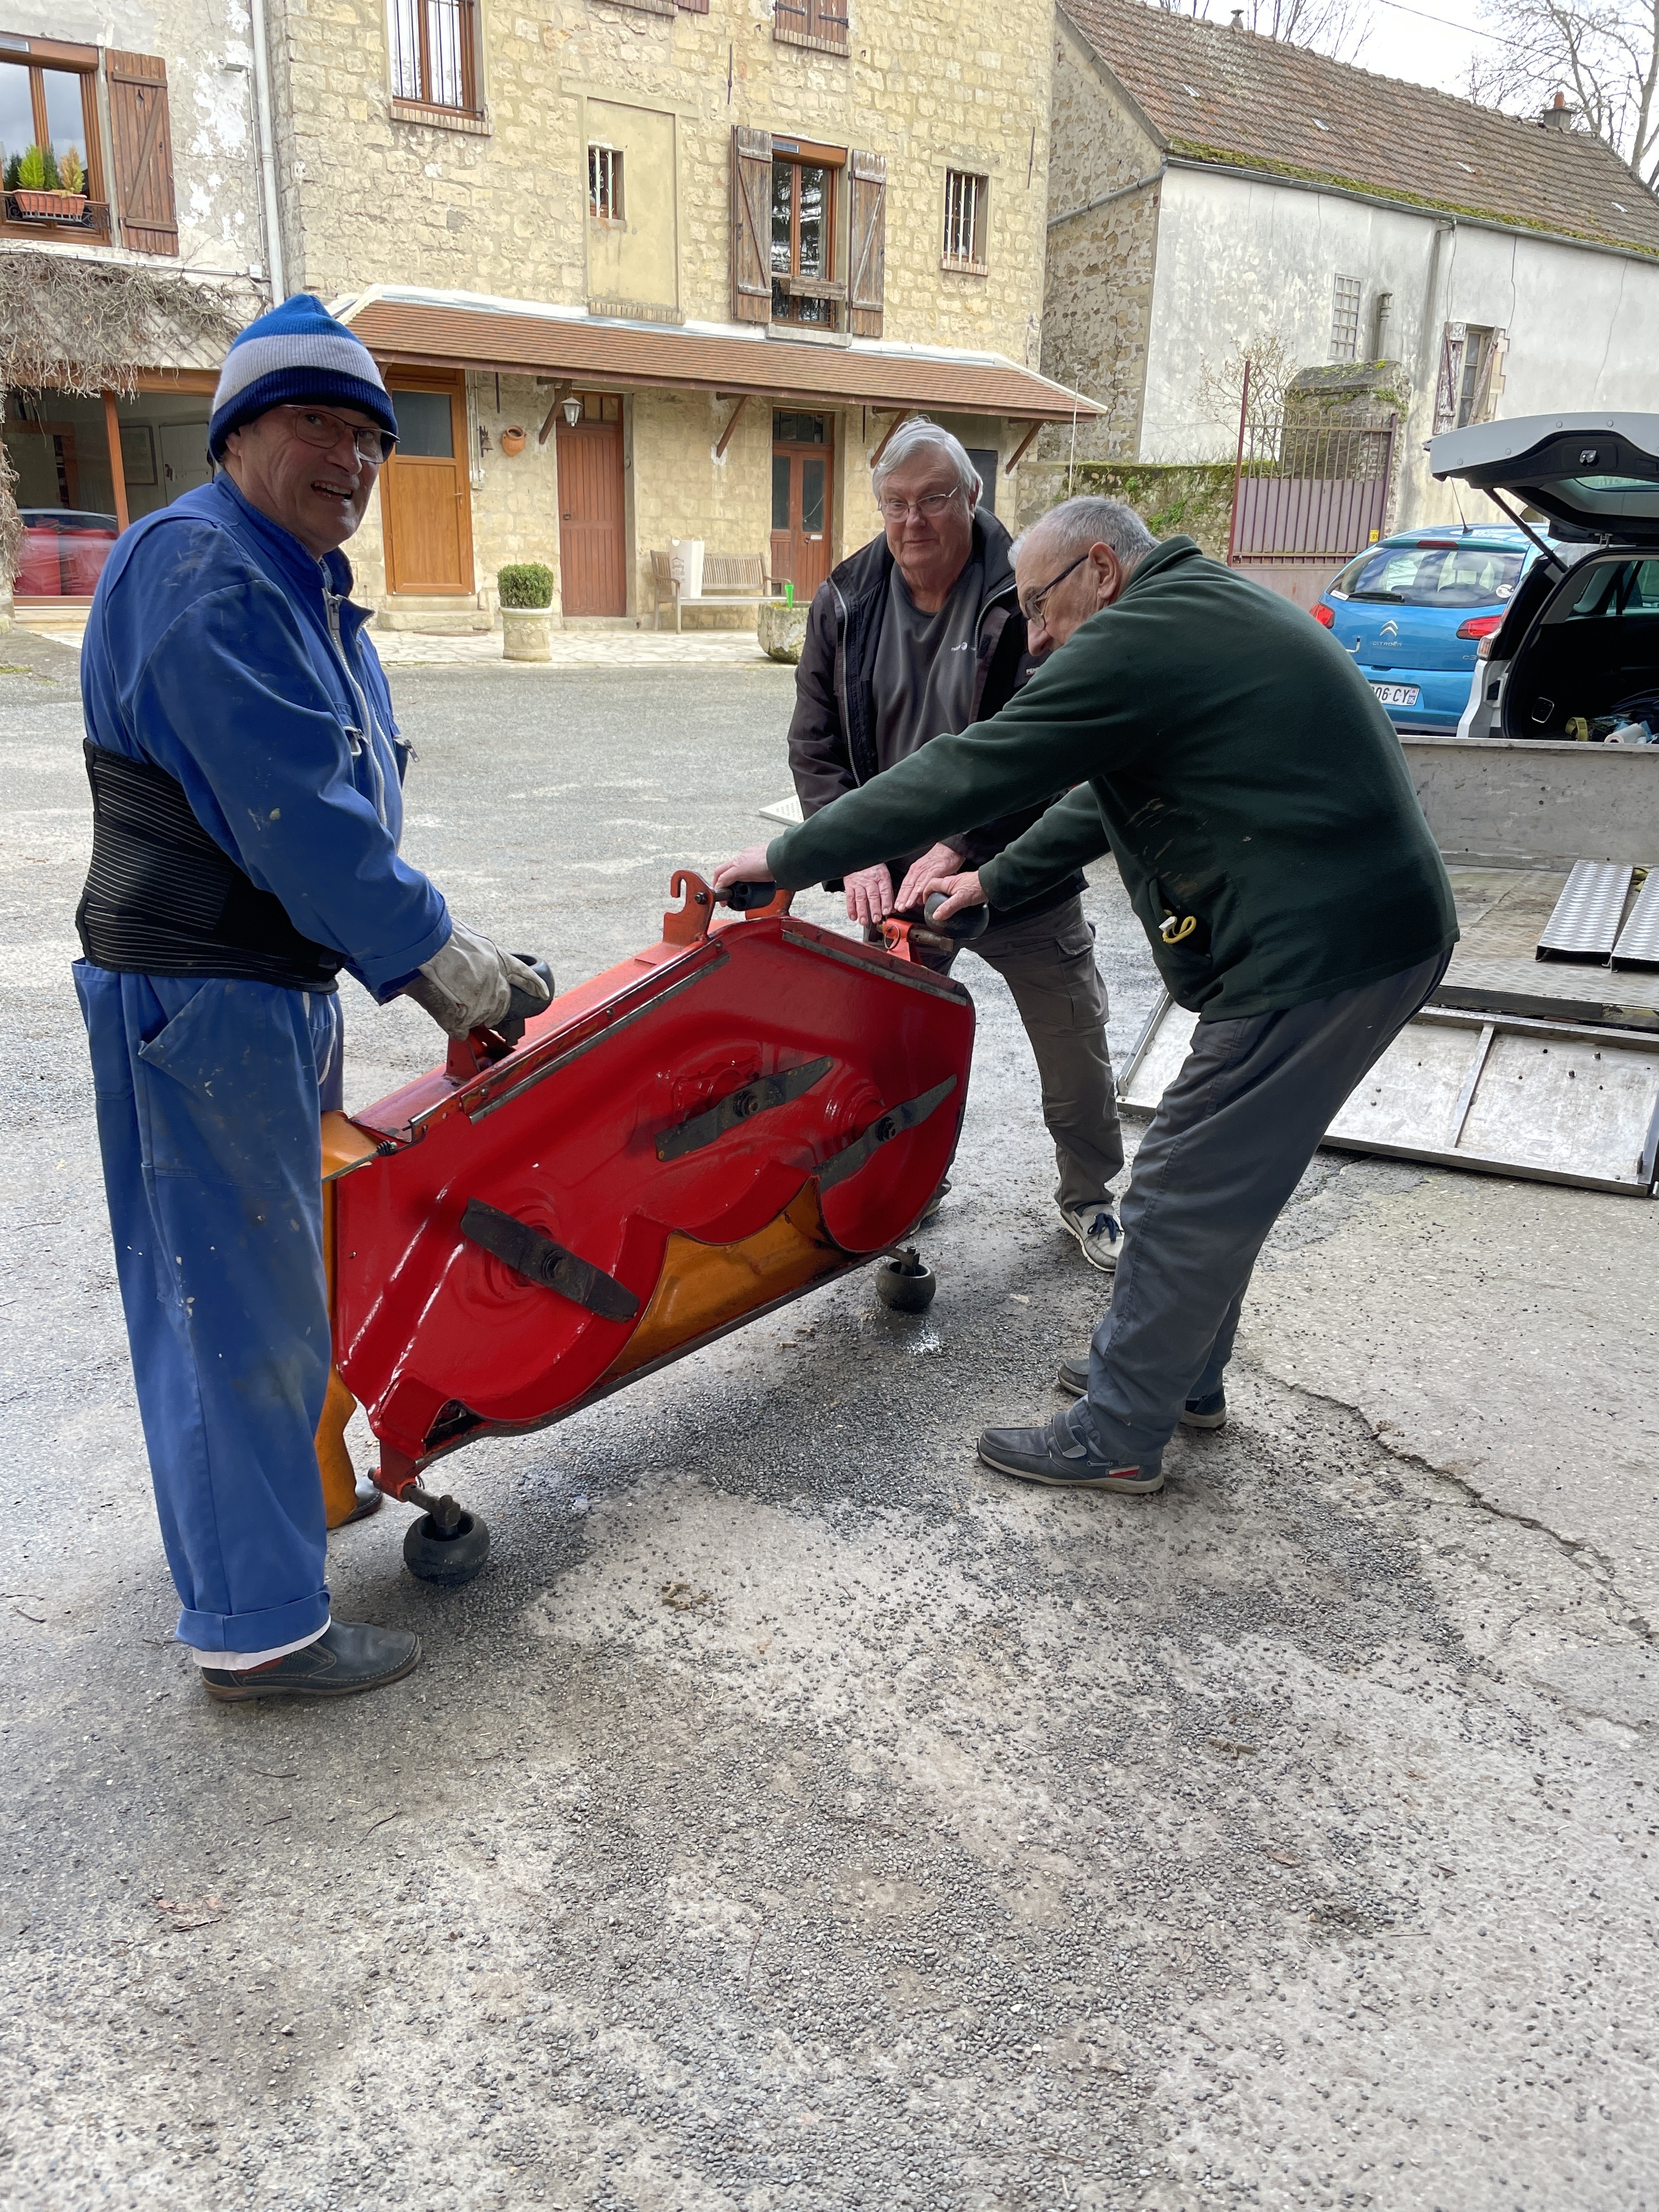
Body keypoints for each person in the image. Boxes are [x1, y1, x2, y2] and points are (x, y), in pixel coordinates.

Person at [716, 496, 1457, 1497]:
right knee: (1217, 1178)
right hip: (1348, 935)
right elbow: (1098, 797)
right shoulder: (1187, 615)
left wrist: (788, 858)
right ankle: (1177, 1376)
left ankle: (1117, 1432)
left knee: (1186, 1187)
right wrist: (993, 881)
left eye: (1039, 607)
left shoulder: (1150, 632)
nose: (1035, 636)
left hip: (1326, 949)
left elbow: (972, 767)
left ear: (1100, 570)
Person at [74, 294, 549, 1701]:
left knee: (278, 1289)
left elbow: (348, 806)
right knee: (236, 1307)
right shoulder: (204, 573)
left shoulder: (296, 582)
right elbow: (301, 821)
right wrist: (441, 962)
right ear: (237, 431)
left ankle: (262, 1549)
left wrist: (430, 951)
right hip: (204, 997)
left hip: (261, 997)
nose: (347, 456)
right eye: (314, 424)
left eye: (368, 436)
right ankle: (259, 1632)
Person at [786, 418, 1125, 1269]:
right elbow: (815, 744)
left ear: (973, 497)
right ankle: (909, 1186)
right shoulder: (846, 596)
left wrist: (970, 846)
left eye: (934, 498)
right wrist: (854, 850)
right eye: (895, 504)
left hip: (1015, 872)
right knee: (891, 1053)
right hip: (899, 884)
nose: (913, 521)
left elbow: (1049, 748)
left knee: (1073, 1042)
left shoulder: (1028, 591)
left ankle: (1089, 1197)